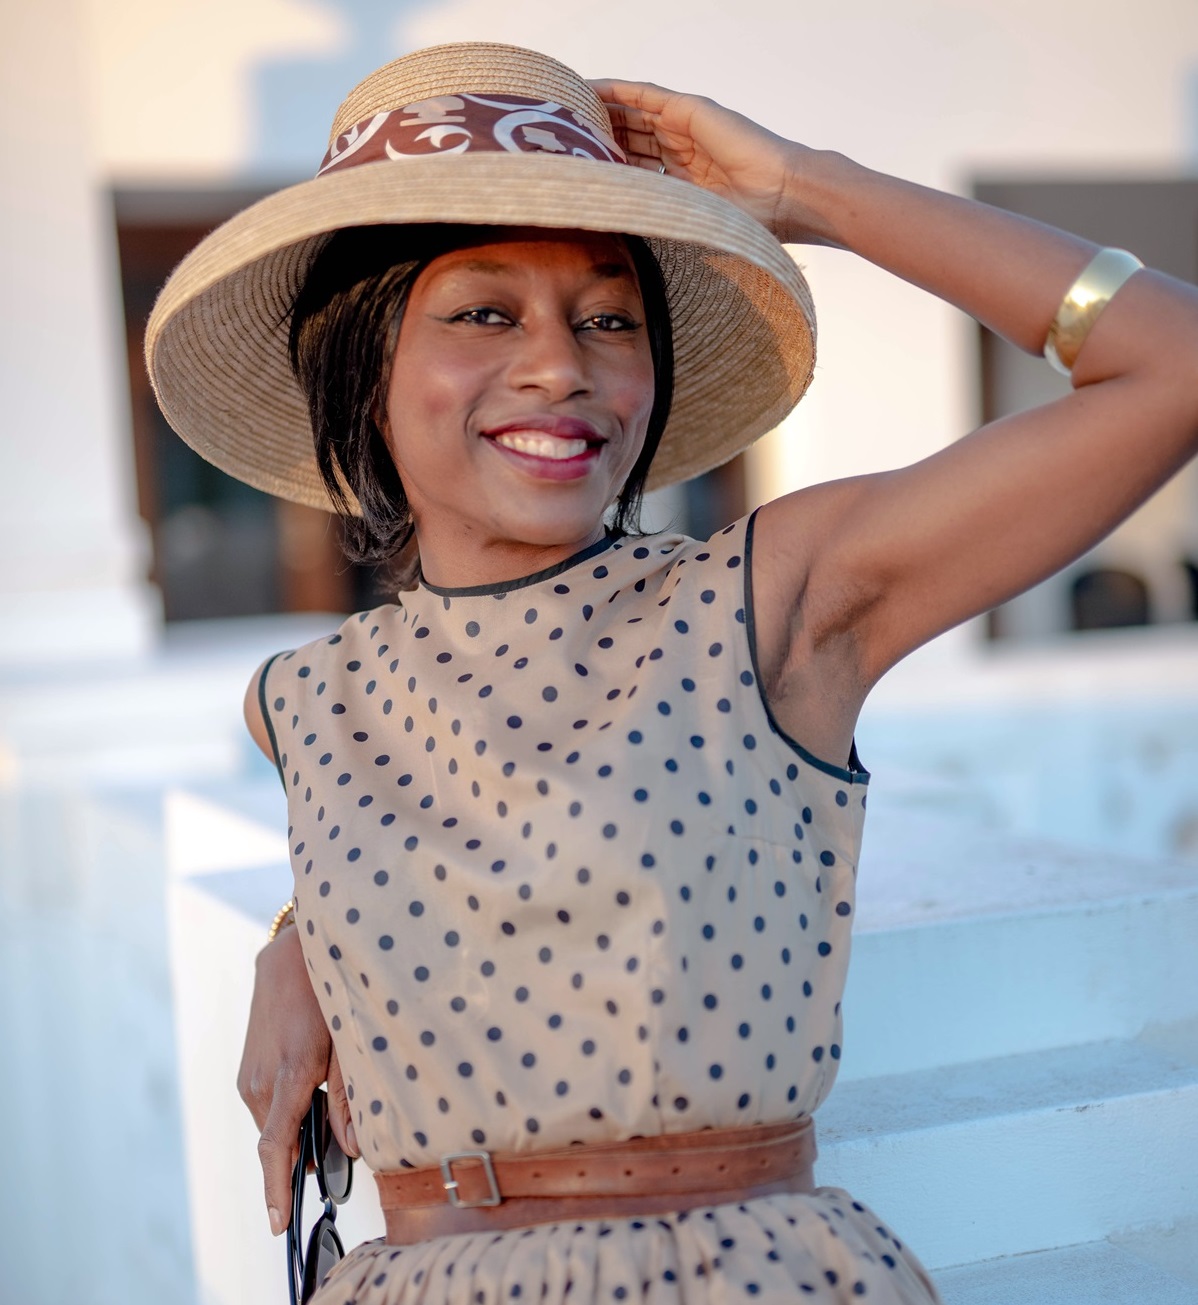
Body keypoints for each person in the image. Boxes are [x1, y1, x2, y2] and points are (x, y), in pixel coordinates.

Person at [145, 41, 1198, 1305]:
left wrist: (814, 192)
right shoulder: (300, 704)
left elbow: (1171, 366)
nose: (559, 364)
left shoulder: (770, 602)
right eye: (485, 312)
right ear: (365, 372)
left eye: (607, 319)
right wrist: (305, 931)